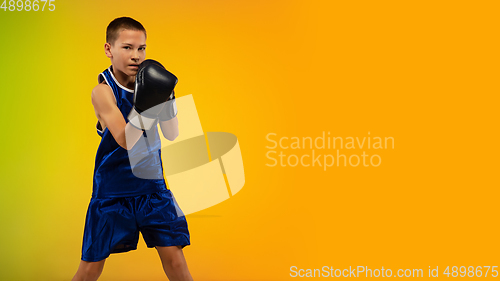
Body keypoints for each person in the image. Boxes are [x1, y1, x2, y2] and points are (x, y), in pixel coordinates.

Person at [72, 17, 193, 281]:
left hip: (152, 188)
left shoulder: (151, 83)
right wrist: (146, 103)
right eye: (127, 47)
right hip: (113, 191)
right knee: (90, 268)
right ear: (109, 49)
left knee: (175, 261)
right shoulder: (103, 92)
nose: (136, 56)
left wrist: (167, 96)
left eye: (141, 48)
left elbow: (172, 134)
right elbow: (126, 140)